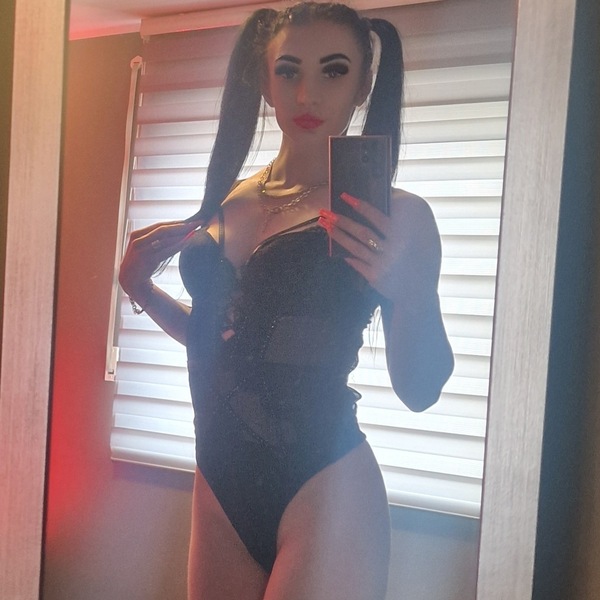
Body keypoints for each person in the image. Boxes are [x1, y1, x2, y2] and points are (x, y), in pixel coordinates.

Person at [119, 3, 454, 599]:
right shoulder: (232, 199)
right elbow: (230, 343)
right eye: (289, 70)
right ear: (265, 81)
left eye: (334, 71)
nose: (307, 93)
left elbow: (421, 390)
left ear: (363, 86)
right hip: (218, 484)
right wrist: (140, 288)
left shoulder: (398, 216)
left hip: (325, 486)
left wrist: (414, 295)